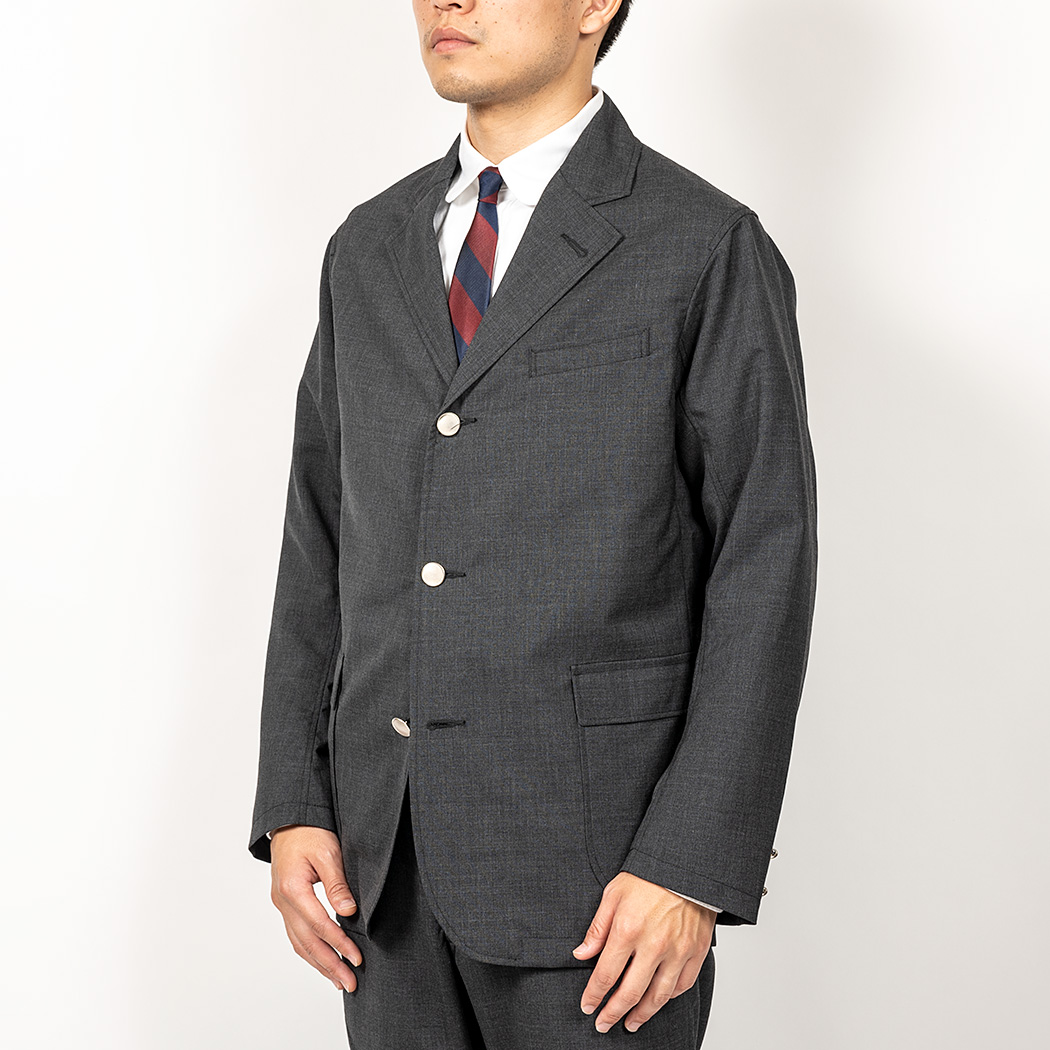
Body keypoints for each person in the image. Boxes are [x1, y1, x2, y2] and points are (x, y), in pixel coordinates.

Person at [248, 1, 817, 1046]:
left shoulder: (702, 244)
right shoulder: (367, 247)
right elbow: (317, 534)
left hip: (605, 889)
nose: (447, 1)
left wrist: (690, 865)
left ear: (597, 4)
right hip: (383, 874)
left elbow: (763, 563)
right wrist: (294, 799)